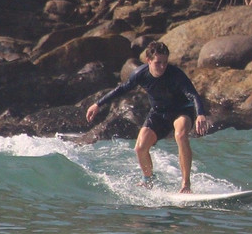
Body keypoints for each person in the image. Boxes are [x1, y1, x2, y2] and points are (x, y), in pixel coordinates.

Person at [85, 41, 210, 192]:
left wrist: (200, 114)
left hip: (181, 111)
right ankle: (148, 179)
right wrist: (98, 104)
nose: (162, 66)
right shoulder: (140, 74)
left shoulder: (176, 74)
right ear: (148, 61)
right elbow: (121, 89)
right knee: (140, 148)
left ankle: (185, 184)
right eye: (158, 63)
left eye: (165, 62)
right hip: (158, 113)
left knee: (181, 135)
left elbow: (193, 95)